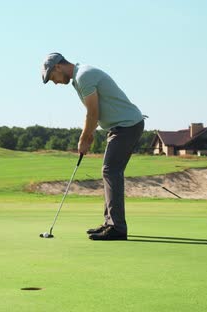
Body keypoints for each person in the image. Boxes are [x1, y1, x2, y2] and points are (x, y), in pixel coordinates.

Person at [41, 52, 144, 241]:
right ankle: (110, 223)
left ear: (57, 67)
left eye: (52, 77)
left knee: (110, 171)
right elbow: (95, 113)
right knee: (109, 171)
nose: (54, 82)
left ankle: (117, 227)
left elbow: (93, 112)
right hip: (119, 127)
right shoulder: (80, 76)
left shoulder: (84, 76)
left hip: (127, 125)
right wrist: (90, 135)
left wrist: (84, 137)